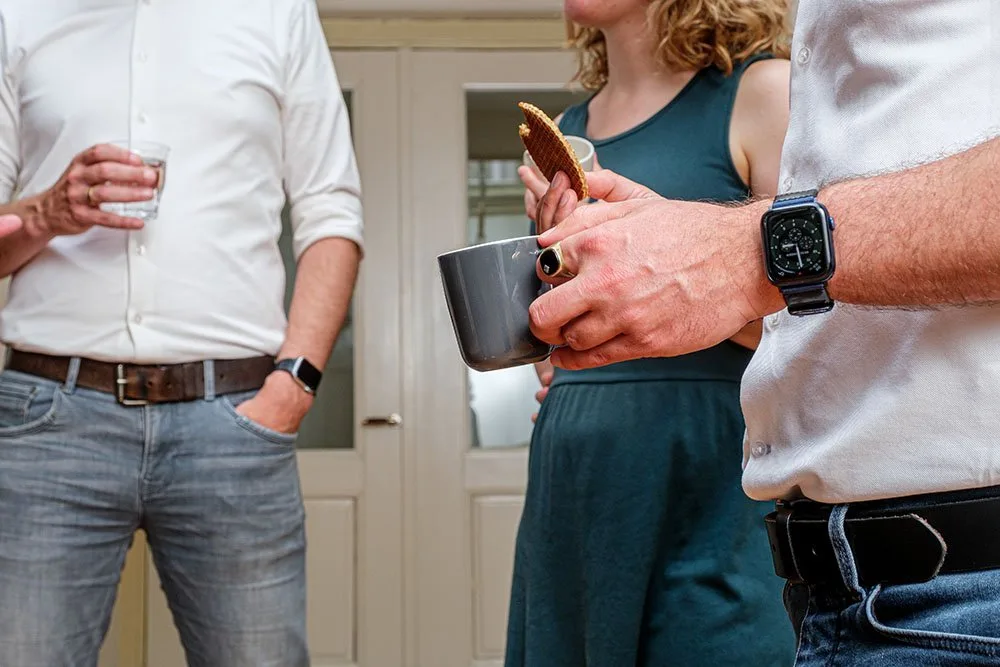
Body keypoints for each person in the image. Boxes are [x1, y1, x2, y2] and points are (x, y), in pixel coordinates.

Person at [528, 2, 1000, 666]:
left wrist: (736, 255)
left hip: (957, 590)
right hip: (835, 585)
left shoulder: (757, 90)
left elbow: (776, 270)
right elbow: (821, 310)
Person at [0, 1, 362, 665]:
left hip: (236, 419)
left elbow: (332, 213)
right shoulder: (17, 14)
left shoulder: (277, 13)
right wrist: (48, 211)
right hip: (48, 421)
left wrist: (295, 383)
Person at [504, 1, 794, 665]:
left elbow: (821, 321)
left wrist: (683, 280)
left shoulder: (764, 94)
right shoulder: (568, 134)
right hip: (575, 478)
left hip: (709, 479)